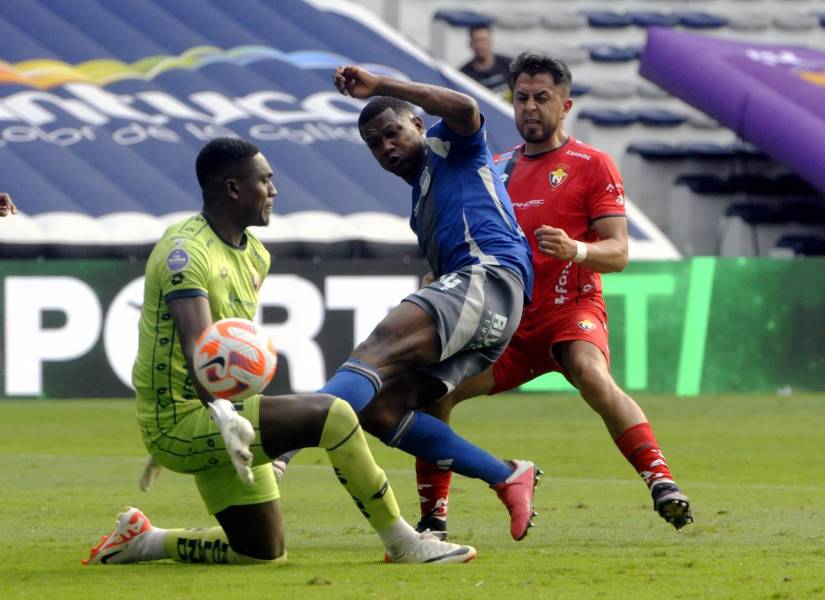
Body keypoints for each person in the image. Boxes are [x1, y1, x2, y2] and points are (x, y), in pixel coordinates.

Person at [82, 137, 477, 566]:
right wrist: (208, 420)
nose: (274, 190)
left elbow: (227, 351)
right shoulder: (186, 253)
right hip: (195, 417)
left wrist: (226, 417)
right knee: (333, 414)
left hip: (220, 416)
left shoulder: (255, 254)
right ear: (233, 188)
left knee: (260, 553)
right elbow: (202, 352)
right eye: (265, 180)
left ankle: (143, 540)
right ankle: (403, 543)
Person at [413, 53, 694, 539]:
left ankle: (661, 481)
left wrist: (576, 249)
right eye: (521, 98)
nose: (529, 107)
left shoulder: (592, 165)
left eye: (541, 98)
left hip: (570, 310)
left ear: (565, 106)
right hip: (508, 322)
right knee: (434, 391)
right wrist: (438, 277)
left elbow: (618, 252)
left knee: (590, 373)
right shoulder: (495, 168)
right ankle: (433, 518)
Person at [307, 64, 541, 542]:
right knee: (380, 409)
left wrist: (381, 85)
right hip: (487, 310)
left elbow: (466, 107)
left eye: (392, 132)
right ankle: (505, 475)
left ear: (417, 124)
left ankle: (286, 441)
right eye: (375, 144)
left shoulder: (448, 145)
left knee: (374, 351)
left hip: (489, 279)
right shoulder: (420, 204)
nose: (386, 147)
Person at [459, 25, 513, 98]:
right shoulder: (463, 75)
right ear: (470, 44)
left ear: (491, 42)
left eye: (483, 40)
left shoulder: (509, 65)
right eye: (476, 41)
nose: (479, 45)